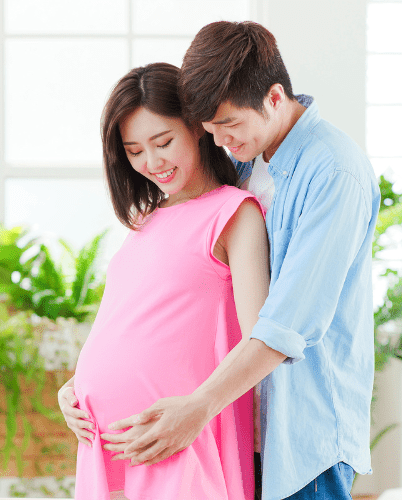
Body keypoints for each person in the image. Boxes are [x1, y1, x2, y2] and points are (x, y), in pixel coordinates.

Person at [100, 21, 382, 500]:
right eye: (209, 128)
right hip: (239, 429)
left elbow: (287, 323)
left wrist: (198, 406)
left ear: (274, 98)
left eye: (229, 124)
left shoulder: (334, 172)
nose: (220, 139)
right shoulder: (248, 161)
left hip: (303, 438)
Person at [57, 62, 270, 499]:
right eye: (134, 151)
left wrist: (195, 410)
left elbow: (259, 339)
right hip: (106, 443)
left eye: (163, 142)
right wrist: (73, 389)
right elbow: (124, 322)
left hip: (179, 436)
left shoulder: (234, 214)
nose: (152, 162)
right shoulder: (147, 219)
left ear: (196, 126)